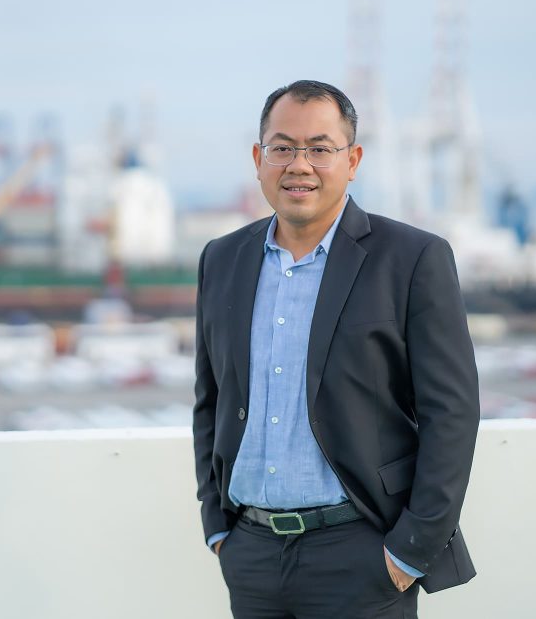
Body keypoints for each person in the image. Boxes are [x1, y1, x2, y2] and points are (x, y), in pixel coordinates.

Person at [192, 80, 480, 619]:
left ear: (353, 161)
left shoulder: (412, 259)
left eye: (320, 148)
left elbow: (453, 414)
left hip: (362, 554)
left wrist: (410, 550)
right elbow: (210, 400)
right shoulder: (222, 259)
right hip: (250, 555)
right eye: (282, 147)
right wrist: (217, 527)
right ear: (258, 159)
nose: (299, 164)